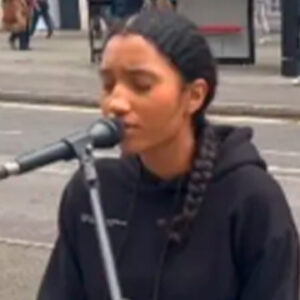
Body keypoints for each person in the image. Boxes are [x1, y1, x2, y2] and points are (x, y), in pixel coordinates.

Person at [37, 10, 300, 300]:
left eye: (141, 85)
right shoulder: (92, 191)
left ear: (194, 96)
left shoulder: (251, 199)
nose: (116, 103)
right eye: (108, 84)